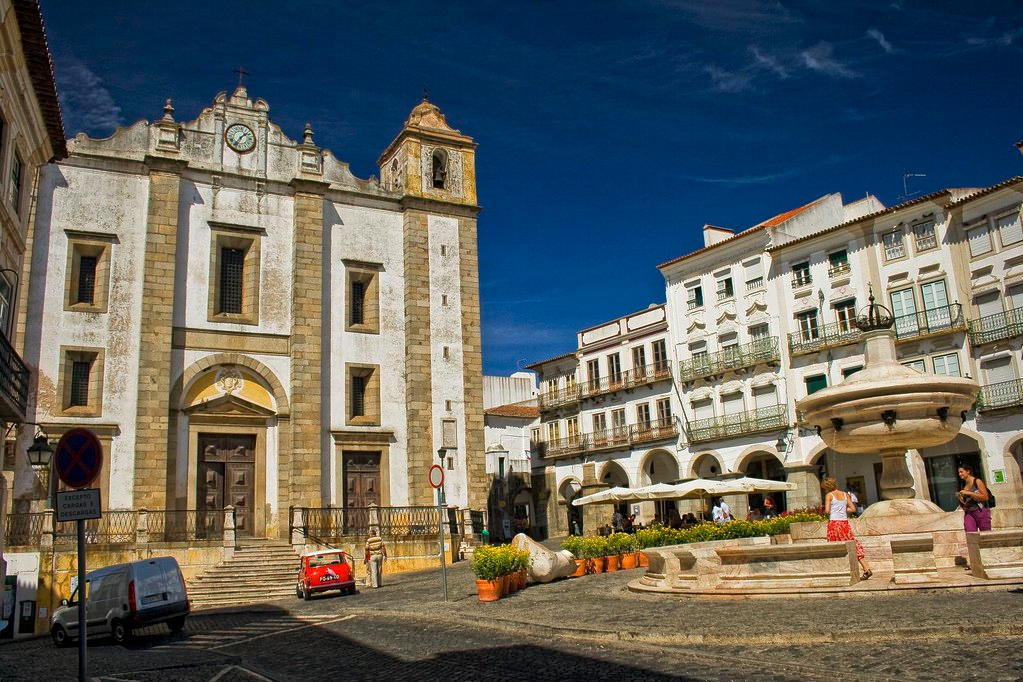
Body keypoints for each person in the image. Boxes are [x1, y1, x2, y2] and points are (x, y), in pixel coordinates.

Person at [822, 477, 872, 580]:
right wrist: (843, 509)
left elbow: (827, 511)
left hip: (834, 524)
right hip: (844, 523)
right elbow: (853, 509)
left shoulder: (829, 495)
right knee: (852, 545)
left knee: (835, 547)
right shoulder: (845, 495)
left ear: (826, 487)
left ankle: (840, 573)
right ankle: (866, 568)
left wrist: (834, 511)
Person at [957, 464, 992, 532]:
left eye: (961, 472)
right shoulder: (963, 484)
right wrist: (961, 499)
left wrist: (969, 493)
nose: (959, 474)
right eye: (959, 472)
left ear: (968, 471)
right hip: (969, 512)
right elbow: (966, 502)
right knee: (969, 532)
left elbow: (985, 497)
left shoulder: (977, 481)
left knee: (985, 533)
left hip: (980, 510)